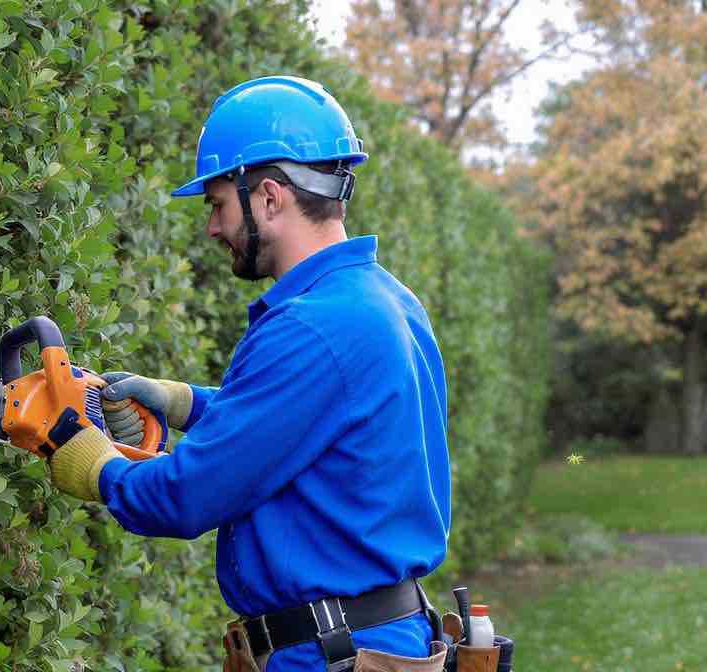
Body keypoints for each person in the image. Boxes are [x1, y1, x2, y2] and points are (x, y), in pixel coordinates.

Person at [43, 76, 452, 672]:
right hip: (369, 637)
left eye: (217, 204)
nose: (212, 228)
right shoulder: (379, 300)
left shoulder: (312, 329)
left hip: (329, 655)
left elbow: (186, 497)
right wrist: (186, 404)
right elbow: (306, 424)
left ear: (267, 197)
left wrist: (95, 466)